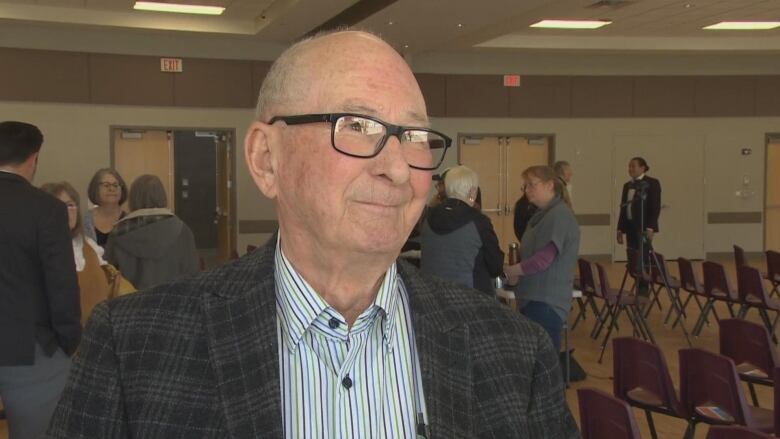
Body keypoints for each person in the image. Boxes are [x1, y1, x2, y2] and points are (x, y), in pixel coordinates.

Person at [47, 31, 579, 439]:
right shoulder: (134, 345)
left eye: (414, 136)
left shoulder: (515, 352)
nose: (397, 169)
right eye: (356, 125)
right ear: (266, 159)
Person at [0, 121, 81, 439]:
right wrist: (68, 340)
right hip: (33, 347)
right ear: (34, 158)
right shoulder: (46, 209)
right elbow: (61, 283)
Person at [505, 166, 580, 351]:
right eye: (525, 185)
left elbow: (543, 259)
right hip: (532, 298)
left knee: (544, 363)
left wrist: (513, 270)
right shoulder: (541, 215)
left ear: (549, 185)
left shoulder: (559, 215)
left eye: (532, 184)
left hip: (545, 302)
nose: (527, 189)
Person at [103, 174, 199, 290]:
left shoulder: (118, 232)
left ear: (133, 198)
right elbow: (193, 275)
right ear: (163, 196)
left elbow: (107, 276)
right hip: (174, 302)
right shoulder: (183, 230)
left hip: (130, 304)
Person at [420, 165, 504, 295]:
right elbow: (496, 266)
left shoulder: (427, 217)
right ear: (472, 191)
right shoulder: (478, 221)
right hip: (471, 300)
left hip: (432, 297)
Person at [41, 181, 113, 326]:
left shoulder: (90, 247)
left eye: (70, 205)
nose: (66, 211)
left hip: (95, 336)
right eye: (58, 205)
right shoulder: (37, 251)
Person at [617, 156, 661, 296]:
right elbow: (623, 209)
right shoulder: (627, 185)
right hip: (630, 227)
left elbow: (655, 207)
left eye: (633, 166)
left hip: (644, 228)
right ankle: (637, 284)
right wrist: (620, 229)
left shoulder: (652, 183)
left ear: (642, 168)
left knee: (643, 257)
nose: (630, 169)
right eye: (629, 166)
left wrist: (651, 227)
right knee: (633, 256)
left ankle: (643, 289)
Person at [83, 168, 128, 247]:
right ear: (95, 189)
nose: (111, 189)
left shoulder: (129, 220)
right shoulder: (85, 221)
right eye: (106, 185)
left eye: (115, 185)